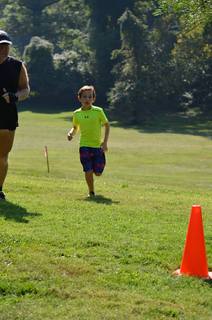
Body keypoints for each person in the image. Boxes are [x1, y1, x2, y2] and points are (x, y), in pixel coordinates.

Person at [0, 30, 30, 200]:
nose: (4, 49)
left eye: (6, 45)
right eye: (0, 45)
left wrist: (14, 96)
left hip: (7, 115)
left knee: (2, 155)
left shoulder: (17, 66)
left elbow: (25, 89)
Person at [67, 85, 110, 197]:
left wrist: (105, 142)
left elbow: (107, 125)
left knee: (98, 173)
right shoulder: (77, 113)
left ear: (93, 99)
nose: (87, 99)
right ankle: (91, 192)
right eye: (85, 97)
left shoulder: (98, 111)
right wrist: (71, 133)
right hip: (84, 146)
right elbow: (75, 127)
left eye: (90, 97)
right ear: (79, 98)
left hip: (97, 147)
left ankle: (99, 167)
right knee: (88, 170)